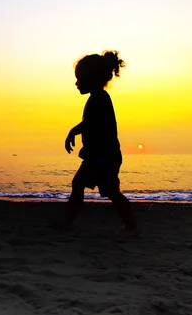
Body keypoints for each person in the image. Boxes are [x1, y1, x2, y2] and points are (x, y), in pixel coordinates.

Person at [55, 50, 140, 235]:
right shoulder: (97, 98)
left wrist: (73, 131)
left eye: (79, 79)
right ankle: (68, 221)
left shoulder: (100, 98)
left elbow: (90, 123)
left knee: (109, 191)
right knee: (82, 185)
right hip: (99, 155)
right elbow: (89, 123)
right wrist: (75, 131)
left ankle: (131, 226)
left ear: (91, 78)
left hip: (104, 157)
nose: (76, 83)